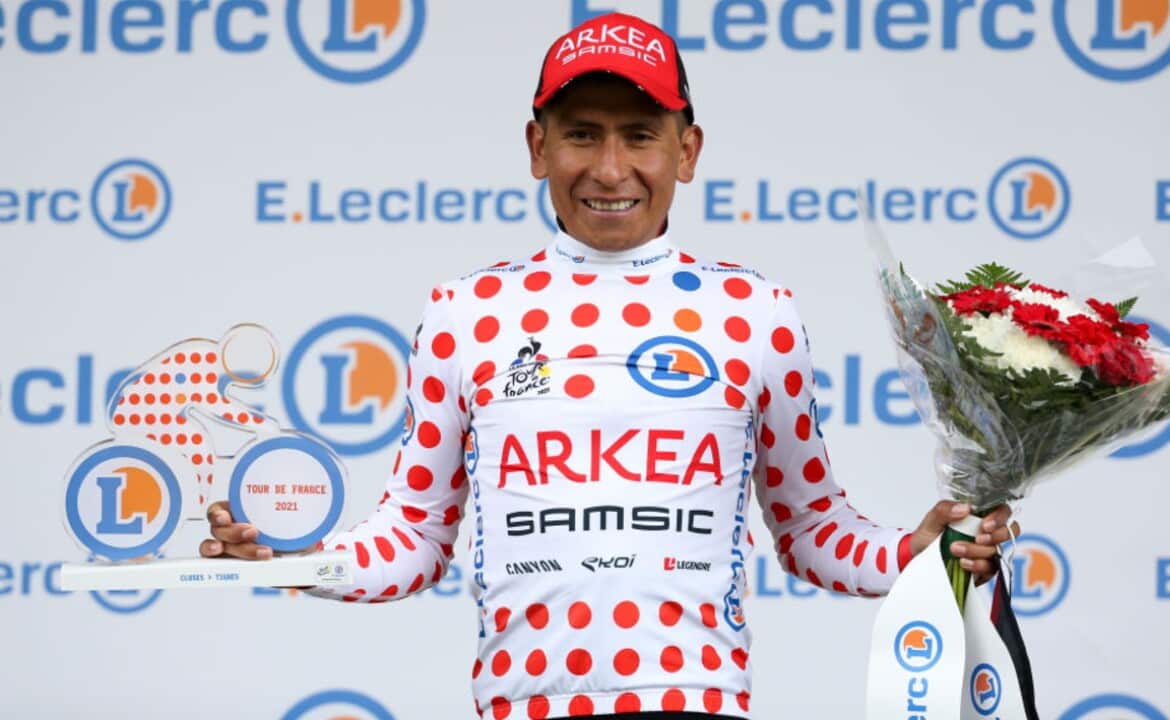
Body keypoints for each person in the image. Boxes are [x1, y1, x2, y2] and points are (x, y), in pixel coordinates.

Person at [200, 12, 1018, 720]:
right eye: (582, 133)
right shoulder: (466, 313)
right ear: (537, 145)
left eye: (640, 135)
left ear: (686, 150)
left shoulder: (755, 313)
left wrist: (918, 553)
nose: (610, 168)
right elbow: (414, 537)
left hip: (697, 701)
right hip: (522, 706)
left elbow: (810, 530)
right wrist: (293, 558)